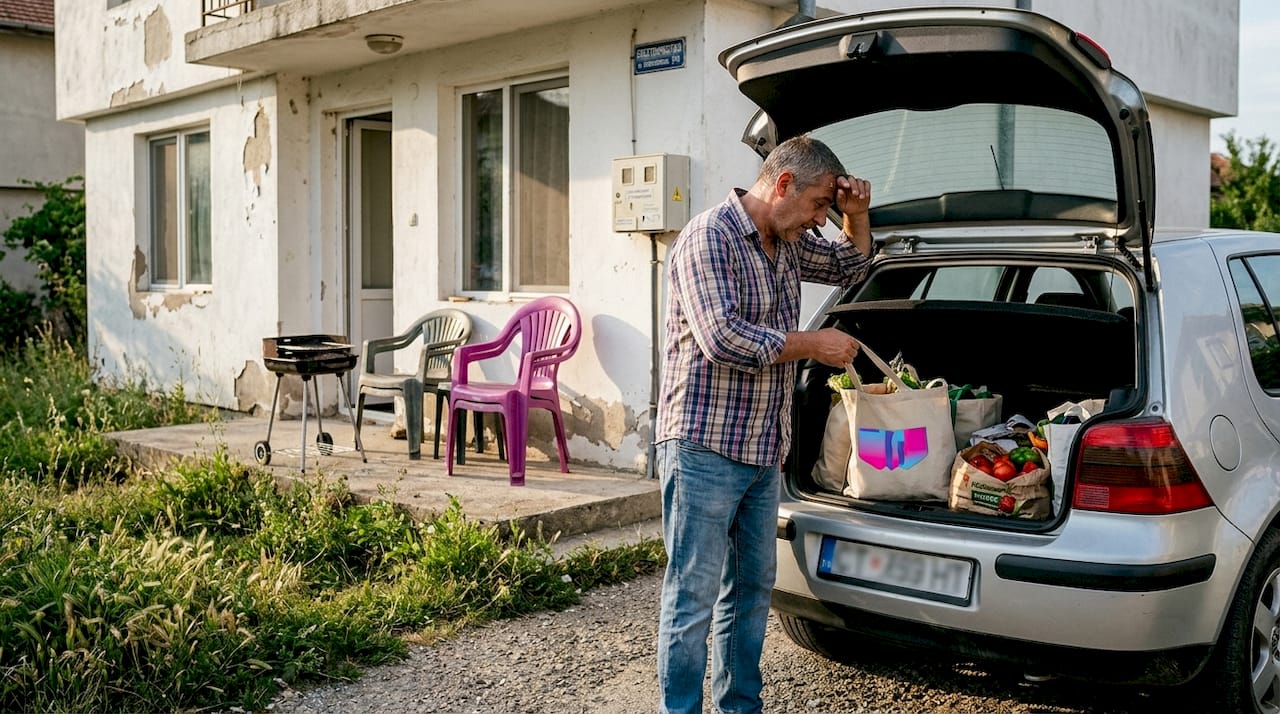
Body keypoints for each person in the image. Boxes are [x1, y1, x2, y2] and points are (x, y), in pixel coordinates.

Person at [654, 134, 873, 714]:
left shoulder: (792, 242)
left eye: (829, 209)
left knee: (750, 596)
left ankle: (738, 708)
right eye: (819, 205)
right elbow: (722, 337)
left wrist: (857, 214)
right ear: (782, 185)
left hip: (761, 449)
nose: (821, 219)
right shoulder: (709, 237)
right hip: (701, 446)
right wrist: (813, 346)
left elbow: (853, 265)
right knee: (692, 597)